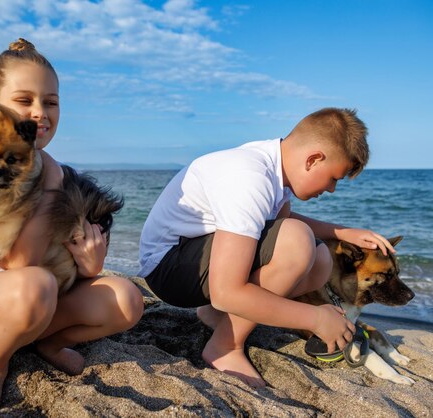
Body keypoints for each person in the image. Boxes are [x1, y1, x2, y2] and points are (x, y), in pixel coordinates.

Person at [0, 39, 144, 408]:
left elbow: (58, 258)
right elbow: (18, 262)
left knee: (127, 299)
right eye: (24, 100)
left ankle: (47, 342)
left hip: (36, 305)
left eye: (50, 102)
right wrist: (51, 180)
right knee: (34, 284)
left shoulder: (56, 170)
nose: (40, 112)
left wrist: (91, 266)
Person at [138, 108, 395, 388]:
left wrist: (343, 232)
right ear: (314, 159)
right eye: (334, 178)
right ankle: (225, 347)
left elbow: (276, 224)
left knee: (320, 259)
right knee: (297, 241)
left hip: (196, 260)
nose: (332, 189)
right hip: (169, 265)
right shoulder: (249, 176)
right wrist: (316, 318)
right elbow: (228, 289)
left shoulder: (277, 170)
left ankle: (217, 316)